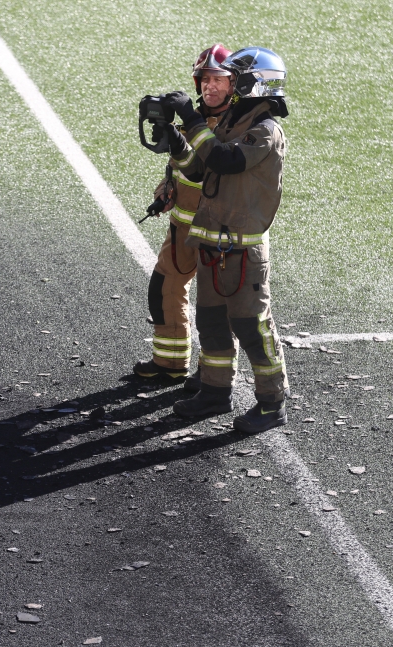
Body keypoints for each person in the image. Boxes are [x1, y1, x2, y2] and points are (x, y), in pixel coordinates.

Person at [160, 47, 291, 433]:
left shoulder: (264, 131)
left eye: (234, 79)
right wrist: (174, 140)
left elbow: (225, 161)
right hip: (213, 245)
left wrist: (191, 118)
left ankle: (272, 402)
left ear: (253, 83)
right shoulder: (232, 123)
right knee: (212, 322)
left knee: (252, 326)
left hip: (243, 250)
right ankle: (215, 393)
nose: (227, 84)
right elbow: (200, 169)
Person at [133, 44, 233, 386]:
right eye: (205, 79)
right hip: (182, 229)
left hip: (215, 236)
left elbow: (206, 168)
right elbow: (183, 167)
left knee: (213, 310)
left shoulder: (234, 125)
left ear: (234, 82)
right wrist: (167, 190)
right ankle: (170, 363)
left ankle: (212, 379)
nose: (210, 86)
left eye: (218, 79)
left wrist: (183, 131)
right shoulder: (199, 118)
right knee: (162, 290)